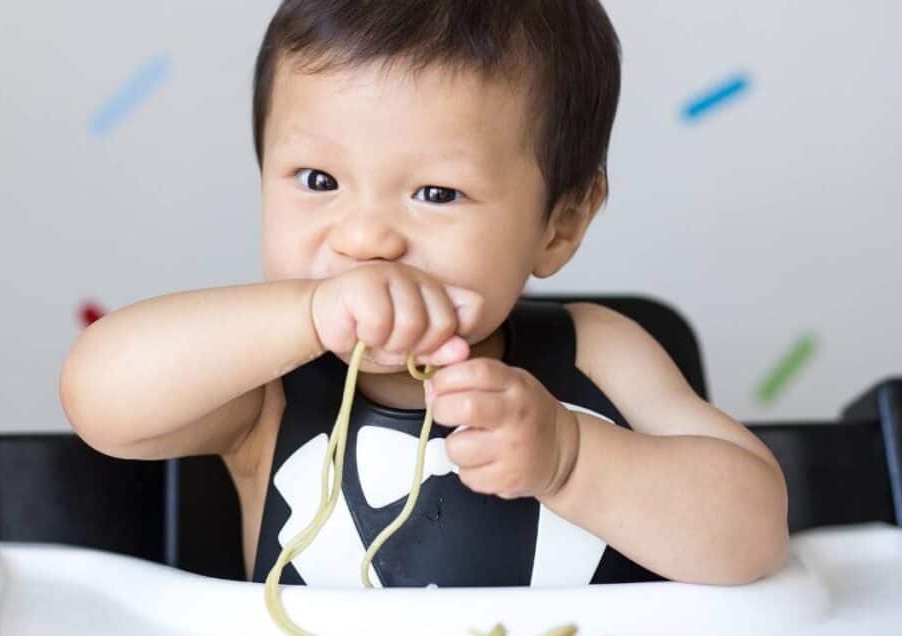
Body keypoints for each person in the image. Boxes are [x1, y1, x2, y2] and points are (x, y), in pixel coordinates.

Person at [59, 0, 788, 589]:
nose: (366, 239)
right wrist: (307, 315)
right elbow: (99, 397)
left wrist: (571, 458)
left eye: (436, 192)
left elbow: (755, 535)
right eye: (318, 180)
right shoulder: (264, 383)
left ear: (560, 224)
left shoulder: (597, 350)